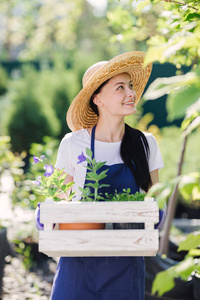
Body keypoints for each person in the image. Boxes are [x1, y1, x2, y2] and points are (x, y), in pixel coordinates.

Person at [38, 51, 165, 300]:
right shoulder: (74, 143)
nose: (131, 93)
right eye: (120, 87)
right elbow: (60, 199)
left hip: (126, 263)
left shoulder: (145, 143)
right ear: (98, 99)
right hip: (78, 263)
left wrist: (155, 213)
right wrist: (46, 215)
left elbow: (155, 199)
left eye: (130, 86)